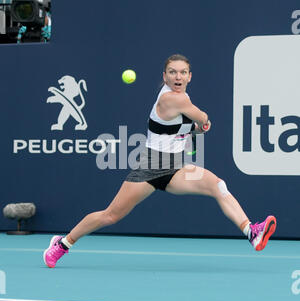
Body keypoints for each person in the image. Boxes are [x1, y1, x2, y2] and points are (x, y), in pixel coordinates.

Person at [43, 54, 277, 268]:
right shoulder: (172, 99)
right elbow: (204, 117)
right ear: (164, 76)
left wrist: (195, 129)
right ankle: (63, 243)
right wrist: (203, 123)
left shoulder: (182, 98)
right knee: (110, 215)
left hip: (175, 168)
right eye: (173, 72)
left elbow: (179, 127)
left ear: (190, 76)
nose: (178, 76)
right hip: (150, 168)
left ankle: (251, 231)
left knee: (217, 185)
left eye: (183, 72)